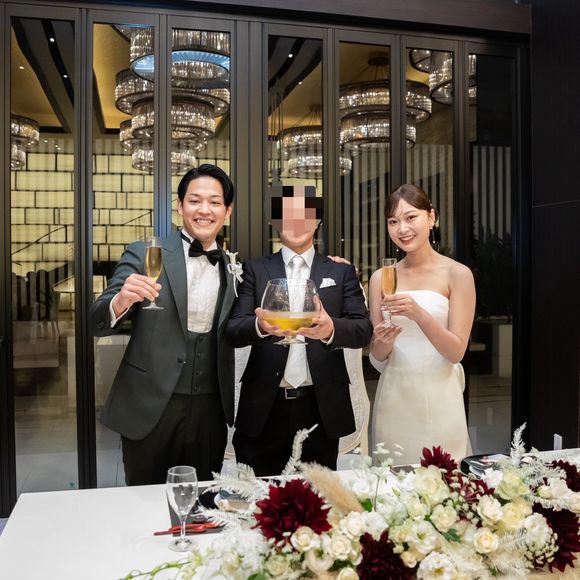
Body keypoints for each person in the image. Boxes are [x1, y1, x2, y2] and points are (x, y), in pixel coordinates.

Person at [89, 164, 237, 485]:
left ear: (227, 211)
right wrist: (121, 301)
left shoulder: (233, 267)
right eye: (194, 200)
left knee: (200, 500)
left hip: (210, 411)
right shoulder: (146, 253)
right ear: (180, 206)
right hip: (149, 407)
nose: (204, 210)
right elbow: (96, 321)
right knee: (144, 500)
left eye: (214, 202)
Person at [226, 185, 373, 476]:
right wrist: (260, 326)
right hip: (264, 407)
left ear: (317, 221)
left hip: (321, 407)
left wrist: (331, 329)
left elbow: (363, 329)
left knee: (317, 496)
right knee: (259, 495)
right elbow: (234, 328)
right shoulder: (255, 269)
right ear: (275, 221)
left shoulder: (340, 271)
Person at [369, 184, 475, 464]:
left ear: (431, 217)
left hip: (441, 398)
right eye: (393, 221)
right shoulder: (381, 278)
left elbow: (456, 352)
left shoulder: (457, 274)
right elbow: (377, 360)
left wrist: (419, 314)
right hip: (394, 399)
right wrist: (383, 342)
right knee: (391, 479)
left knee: (443, 480)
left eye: (410, 217)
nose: (402, 228)